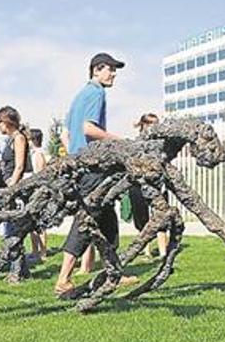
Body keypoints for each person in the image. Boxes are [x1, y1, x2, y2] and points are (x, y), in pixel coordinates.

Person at [55, 53, 137, 296]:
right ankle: (63, 279)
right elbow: (89, 129)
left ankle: (114, 272)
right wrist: (120, 142)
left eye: (114, 70)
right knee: (87, 219)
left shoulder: (79, 95)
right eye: (110, 69)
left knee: (108, 219)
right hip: (93, 168)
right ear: (96, 70)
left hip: (82, 166)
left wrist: (73, 156)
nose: (113, 74)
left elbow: (65, 133)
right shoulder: (96, 93)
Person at [0, 106, 33, 283]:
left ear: (7, 121)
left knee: (12, 232)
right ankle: (23, 270)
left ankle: (15, 272)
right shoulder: (9, 140)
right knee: (10, 229)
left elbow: (19, 166)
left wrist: (12, 186)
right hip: (9, 187)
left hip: (15, 189)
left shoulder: (18, 138)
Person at [127, 113, 169, 260]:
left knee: (161, 217)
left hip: (158, 183)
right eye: (151, 124)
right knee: (141, 218)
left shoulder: (161, 143)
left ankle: (163, 252)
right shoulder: (136, 143)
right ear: (144, 125)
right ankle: (146, 251)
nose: (154, 127)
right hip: (138, 184)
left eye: (155, 124)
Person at [27, 128, 48, 259]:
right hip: (32, 192)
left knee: (40, 224)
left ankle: (43, 251)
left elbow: (40, 175)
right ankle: (35, 251)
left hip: (38, 192)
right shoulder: (33, 153)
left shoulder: (39, 154)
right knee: (31, 224)